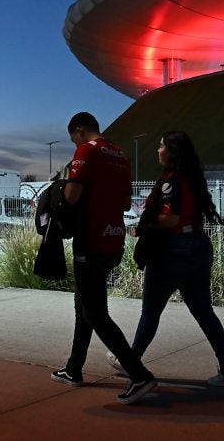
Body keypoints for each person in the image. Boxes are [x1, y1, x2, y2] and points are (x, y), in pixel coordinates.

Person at [110, 130, 224, 387]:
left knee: (150, 312)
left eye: (161, 146)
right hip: (198, 246)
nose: (157, 150)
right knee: (204, 311)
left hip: (173, 250)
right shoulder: (192, 178)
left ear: (171, 152)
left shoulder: (170, 181)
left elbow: (170, 218)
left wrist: (147, 220)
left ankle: (132, 364)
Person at [50, 112, 157, 405]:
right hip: (113, 239)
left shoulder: (86, 151)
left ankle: (139, 375)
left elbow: (71, 196)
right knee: (84, 304)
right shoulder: (120, 154)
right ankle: (74, 369)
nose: (74, 143)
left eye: (73, 137)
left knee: (95, 313)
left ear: (80, 131)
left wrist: (63, 188)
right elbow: (125, 202)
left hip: (91, 240)